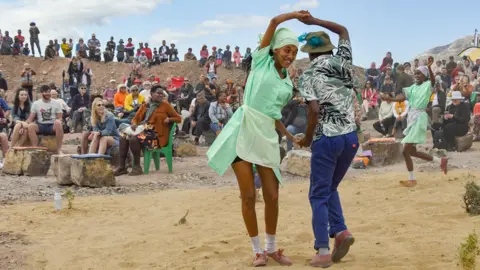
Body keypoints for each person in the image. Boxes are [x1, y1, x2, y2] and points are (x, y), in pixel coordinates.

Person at [207, 11, 308, 267]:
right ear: (274, 49)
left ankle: (272, 248)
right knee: (249, 195)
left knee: (272, 195)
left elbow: (273, 115)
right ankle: (257, 251)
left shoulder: (287, 83)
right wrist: (295, 15)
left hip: (266, 135)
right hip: (243, 131)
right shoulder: (261, 61)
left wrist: (289, 136)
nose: (290, 55)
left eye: (294, 52)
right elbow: (274, 22)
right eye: (286, 50)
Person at [296, 14, 358, 267]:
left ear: (309, 53)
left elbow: (313, 110)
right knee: (331, 187)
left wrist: (308, 138)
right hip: (350, 137)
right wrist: (315, 22)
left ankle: (322, 250)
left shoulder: (308, 75)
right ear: (330, 48)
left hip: (327, 138)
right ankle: (341, 231)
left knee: (318, 195)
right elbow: (343, 29)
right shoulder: (344, 60)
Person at [380, 57, 448, 188]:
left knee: (406, 151)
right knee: (412, 152)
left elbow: (433, 80)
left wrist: (429, 67)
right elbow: (402, 97)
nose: (416, 75)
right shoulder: (412, 87)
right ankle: (440, 161)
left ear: (425, 76)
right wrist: (390, 98)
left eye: (419, 73)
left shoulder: (428, 85)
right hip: (412, 117)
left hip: (419, 118)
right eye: (415, 73)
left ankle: (412, 179)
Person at [114, 85, 181, 176]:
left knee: (134, 139)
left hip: (157, 137)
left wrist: (169, 119)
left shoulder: (166, 106)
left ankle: (137, 167)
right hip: (144, 131)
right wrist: (134, 123)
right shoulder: (145, 105)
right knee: (123, 136)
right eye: (158, 93)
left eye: (162, 94)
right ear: (152, 94)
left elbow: (178, 118)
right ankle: (122, 167)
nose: (161, 95)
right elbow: (136, 118)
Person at [24, 85, 63, 154]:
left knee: (58, 123)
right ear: (41, 93)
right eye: (46, 92)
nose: (48, 94)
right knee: (30, 126)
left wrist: (59, 121)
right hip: (40, 125)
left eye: (49, 92)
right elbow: (30, 118)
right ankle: (35, 148)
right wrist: (23, 125)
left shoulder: (56, 103)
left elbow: (60, 117)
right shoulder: (36, 103)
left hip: (52, 125)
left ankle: (59, 149)